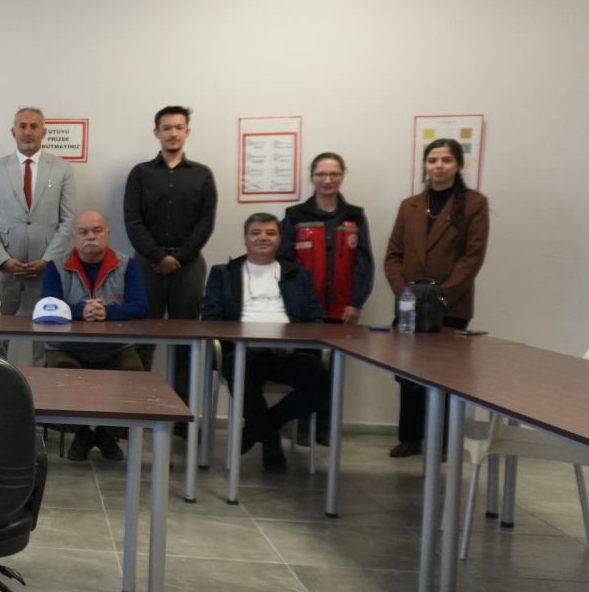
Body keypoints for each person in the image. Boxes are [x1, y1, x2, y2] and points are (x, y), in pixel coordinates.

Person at [383, 138, 490, 457]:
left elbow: (473, 256)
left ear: (458, 165)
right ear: (424, 165)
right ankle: (410, 438)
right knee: (407, 371)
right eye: (433, 160)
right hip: (409, 303)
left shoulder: (474, 203)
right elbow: (394, 254)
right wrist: (404, 292)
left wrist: (443, 294)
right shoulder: (410, 205)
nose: (439, 166)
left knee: (445, 374)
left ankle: (443, 441)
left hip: (450, 304)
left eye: (446, 160)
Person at [202, 213, 327, 475]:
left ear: (280, 239)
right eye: (256, 232)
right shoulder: (224, 273)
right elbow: (211, 319)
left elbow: (316, 319)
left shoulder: (298, 274)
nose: (263, 238)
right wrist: (243, 341)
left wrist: (295, 345)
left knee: (320, 382)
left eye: (270, 233)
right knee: (237, 368)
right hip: (244, 352)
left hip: (289, 352)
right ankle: (271, 443)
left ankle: (255, 430)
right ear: (245, 238)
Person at [123, 105, 217, 404]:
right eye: (167, 128)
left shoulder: (202, 175)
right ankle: (136, 410)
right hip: (146, 266)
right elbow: (132, 220)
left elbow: (206, 222)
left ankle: (180, 415)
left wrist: (180, 258)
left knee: (185, 344)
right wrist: (157, 257)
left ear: (187, 132)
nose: (173, 133)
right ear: (157, 133)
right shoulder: (141, 173)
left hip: (188, 267)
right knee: (141, 340)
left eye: (179, 128)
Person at [38, 210, 149, 462]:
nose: (90, 237)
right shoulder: (55, 266)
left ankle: (102, 433)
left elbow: (141, 306)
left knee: (134, 375)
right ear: (74, 237)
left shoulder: (127, 264)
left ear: (107, 234)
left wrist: (107, 312)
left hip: (115, 348)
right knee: (60, 374)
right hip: (67, 347)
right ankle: (85, 433)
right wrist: (81, 311)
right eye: (83, 232)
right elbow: (47, 306)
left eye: (97, 231)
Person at [0, 106, 77, 365]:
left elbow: (68, 221)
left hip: (45, 269)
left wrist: (48, 260)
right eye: (22, 126)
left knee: (45, 334)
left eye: (34, 126)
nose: (28, 132)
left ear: (44, 132)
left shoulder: (62, 169)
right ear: (13, 132)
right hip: (5, 269)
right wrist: (3, 259)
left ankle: (43, 387)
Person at [279, 152, 374, 324]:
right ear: (312, 178)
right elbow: (284, 262)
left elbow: (363, 264)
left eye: (334, 174)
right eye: (321, 174)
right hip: (302, 307)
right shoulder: (295, 216)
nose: (328, 180)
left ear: (342, 176)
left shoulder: (355, 216)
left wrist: (356, 303)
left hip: (343, 309)